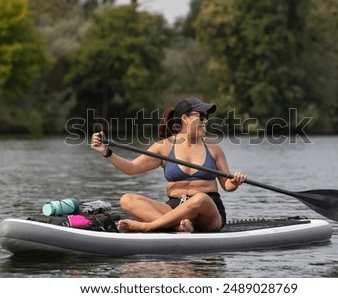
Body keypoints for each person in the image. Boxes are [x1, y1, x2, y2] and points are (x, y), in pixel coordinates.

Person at [91, 97, 247, 232]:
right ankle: (179, 227)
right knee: (127, 199)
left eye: (206, 117)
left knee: (200, 198)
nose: (205, 121)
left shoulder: (214, 149)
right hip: (175, 207)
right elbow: (132, 168)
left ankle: (148, 227)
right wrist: (106, 152)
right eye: (201, 116)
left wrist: (234, 182)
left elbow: (227, 185)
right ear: (185, 118)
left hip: (208, 212)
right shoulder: (164, 147)